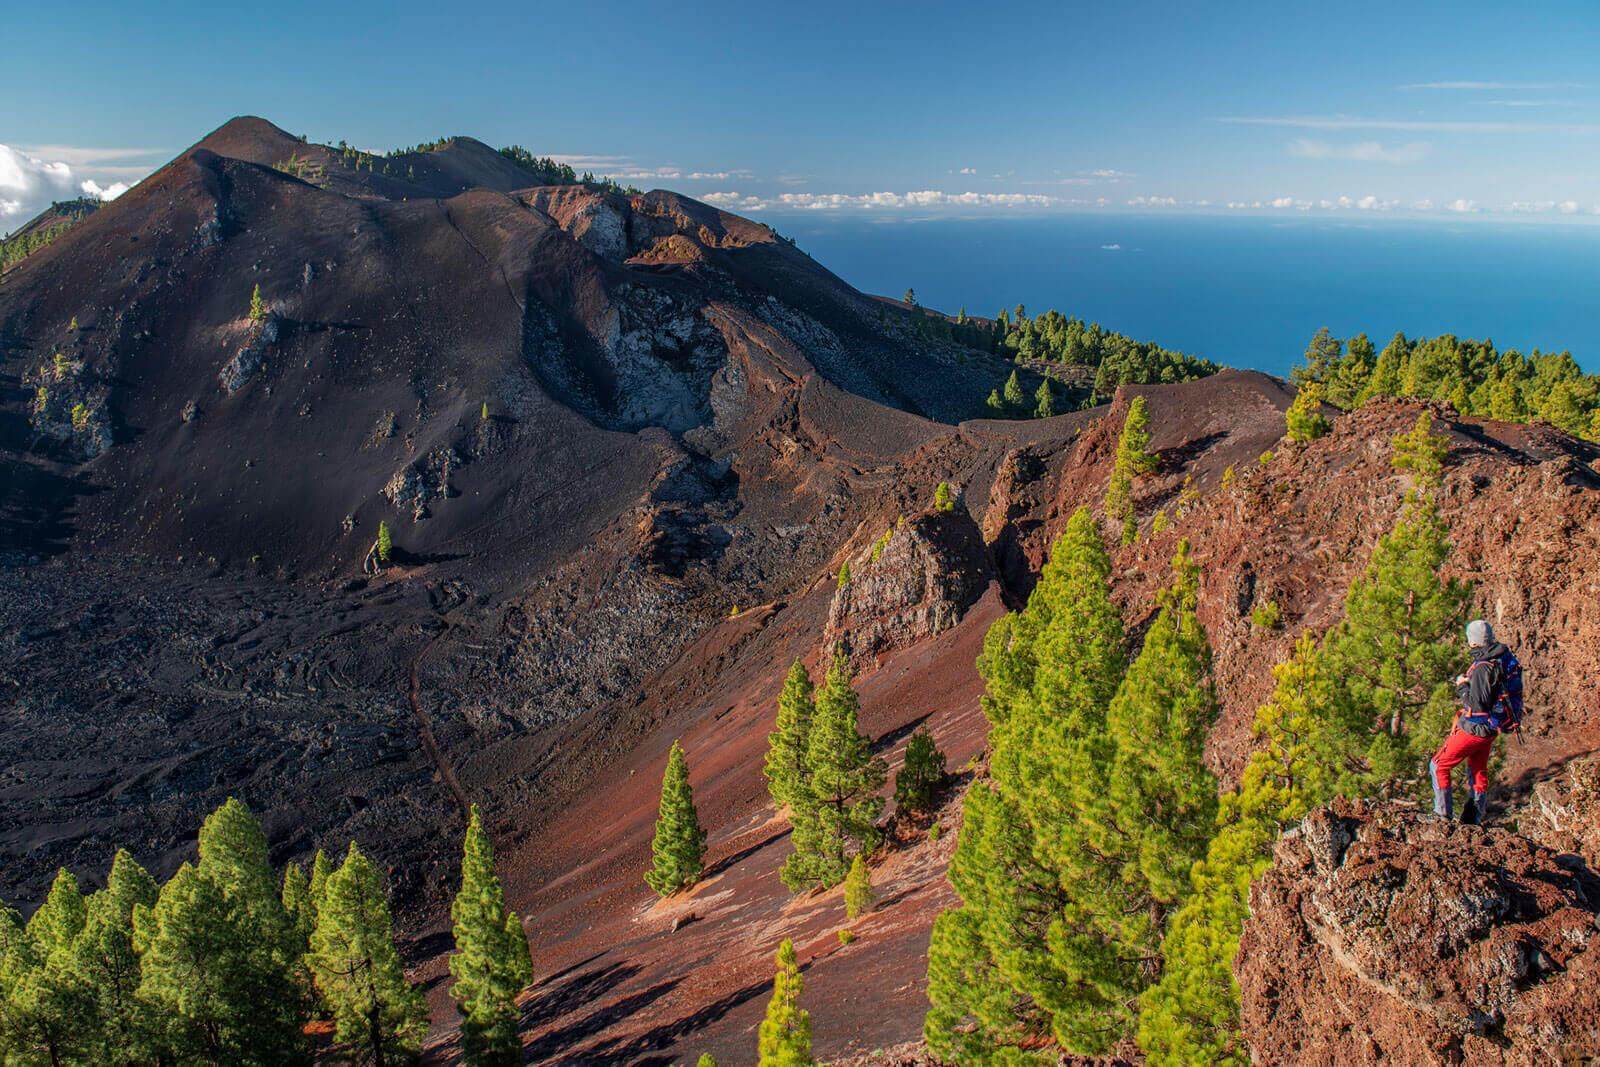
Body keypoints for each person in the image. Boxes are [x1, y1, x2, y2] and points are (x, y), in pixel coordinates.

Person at [1430, 620, 1523, 823]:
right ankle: (1472, 819)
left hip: (1475, 728)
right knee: (1477, 770)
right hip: (1491, 728)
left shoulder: (1483, 666)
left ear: (1473, 642)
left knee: (1438, 765)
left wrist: (1462, 686)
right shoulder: (1502, 657)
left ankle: (1442, 815)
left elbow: (1477, 705)